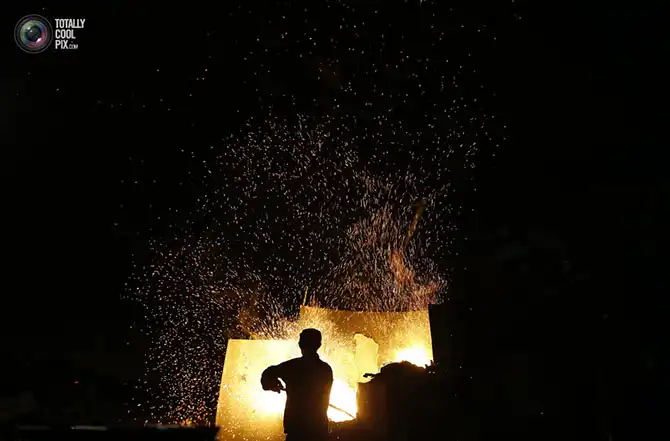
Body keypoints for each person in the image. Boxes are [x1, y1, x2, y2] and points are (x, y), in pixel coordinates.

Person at [261, 328, 333, 441]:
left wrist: (272, 384)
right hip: (318, 430)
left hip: (296, 431)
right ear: (319, 345)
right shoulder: (326, 369)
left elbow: (268, 373)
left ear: (300, 344)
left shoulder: (292, 367)